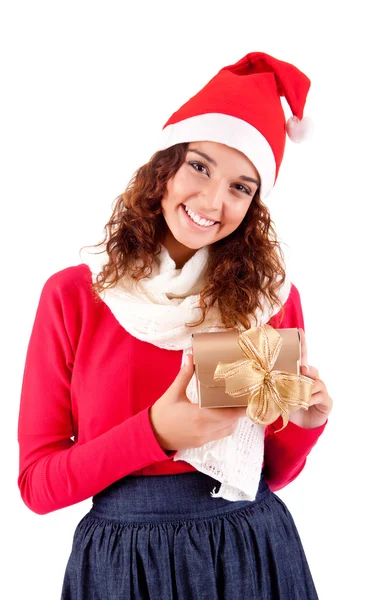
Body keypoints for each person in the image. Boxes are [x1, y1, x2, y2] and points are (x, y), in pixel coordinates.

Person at [17, 51, 333, 599]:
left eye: (241, 186)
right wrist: (156, 434)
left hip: (252, 550)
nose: (213, 200)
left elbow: (271, 473)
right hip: (124, 563)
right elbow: (38, 487)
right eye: (200, 166)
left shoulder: (269, 299)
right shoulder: (76, 296)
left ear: (254, 205)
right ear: (163, 168)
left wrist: (302, 424)